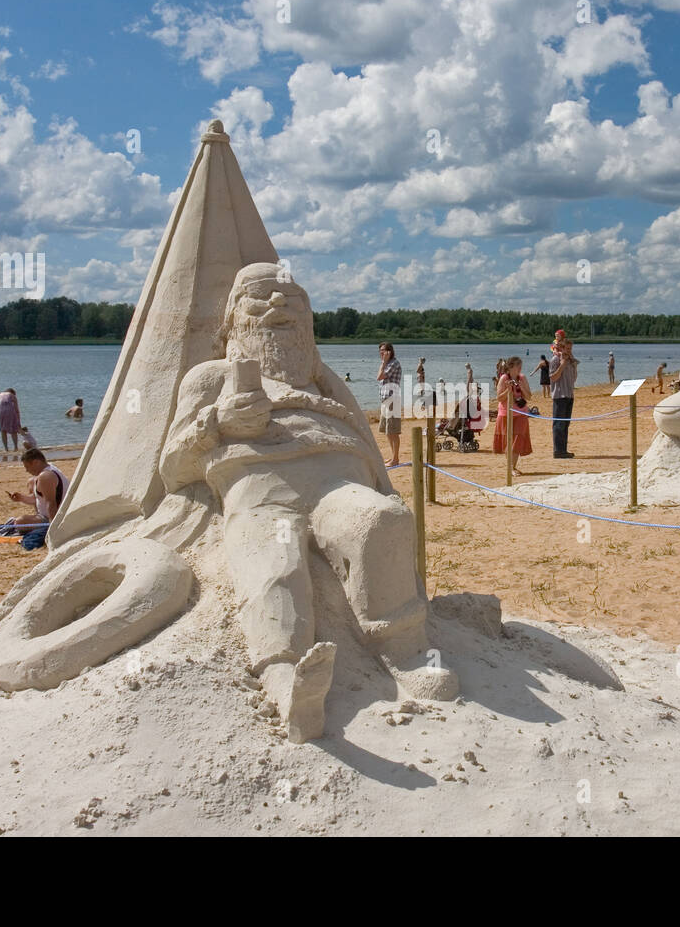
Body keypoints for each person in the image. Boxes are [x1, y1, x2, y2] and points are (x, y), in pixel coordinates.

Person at [158, 262, 457, 739]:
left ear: (309, 319)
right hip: (259, 493)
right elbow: (172, 469)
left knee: (379, 521)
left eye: (292, 299)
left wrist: (383, 488)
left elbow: (363, 440)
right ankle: (285, 678)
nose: (279, 305)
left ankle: (405, 650)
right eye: (261, 298)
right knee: (275, 564)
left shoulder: (322, 381)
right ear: (234, 317)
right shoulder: (211, 378)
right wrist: (217, 424)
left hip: (338, 484)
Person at [0, 448, 69, 548]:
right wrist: (21, 498)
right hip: (47, 514)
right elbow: (38, 499)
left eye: (27, 466)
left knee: (19, 522)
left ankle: (42, 525)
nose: (26, 470)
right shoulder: (49, 470)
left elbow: (51, 504)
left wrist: (53, 528)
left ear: (35, 462)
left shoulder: (46, 477)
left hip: (55, 516)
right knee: (31, 481)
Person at [493, 356, 532, 474]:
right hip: (506, 413)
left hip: (521, 413)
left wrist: (521, 387)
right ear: (510, 367)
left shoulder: (522, 378)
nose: (520, 368)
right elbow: (499, 398)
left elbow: (529, 397)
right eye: (517, 366)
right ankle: (511, 468)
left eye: (521, 365)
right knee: (508, 441)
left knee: (517, 441)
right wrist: (508, 390)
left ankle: (512, 467)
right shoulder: (504, 378)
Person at [549, 335, 578, 458]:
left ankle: (563, 450)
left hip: (569, 394)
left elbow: (574, 378)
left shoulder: (572, 361)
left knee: (566, 424)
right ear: (561, 348)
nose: (569, 351)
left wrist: (571, 363)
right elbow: (553, 377)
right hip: (559, 395)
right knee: (559, 424)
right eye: (567, 349)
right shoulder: (555, 360)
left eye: (570, 349)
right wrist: (562, 364)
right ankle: (558, 451)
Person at [376, 341, 402, 466]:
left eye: (384, 350)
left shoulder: (393, 364)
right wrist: (383, 363)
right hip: (385, 400)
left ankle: (395, 459)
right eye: (380, 350)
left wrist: (384, 362)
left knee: (393, 431)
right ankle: (393, 457)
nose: (381, 353)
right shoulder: (385, 364)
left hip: (393, 400)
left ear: (390, 351)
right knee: (387, 430)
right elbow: (379, 377)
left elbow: (380, 377)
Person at [0, 387, 21, 451]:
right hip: (10, 411)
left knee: (3, 430)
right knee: (14, 429)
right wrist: (18, 421)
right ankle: (15, 447)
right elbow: (16, 409)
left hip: (0, 412)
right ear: (13, 392)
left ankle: (6, 448)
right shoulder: (12, 395)